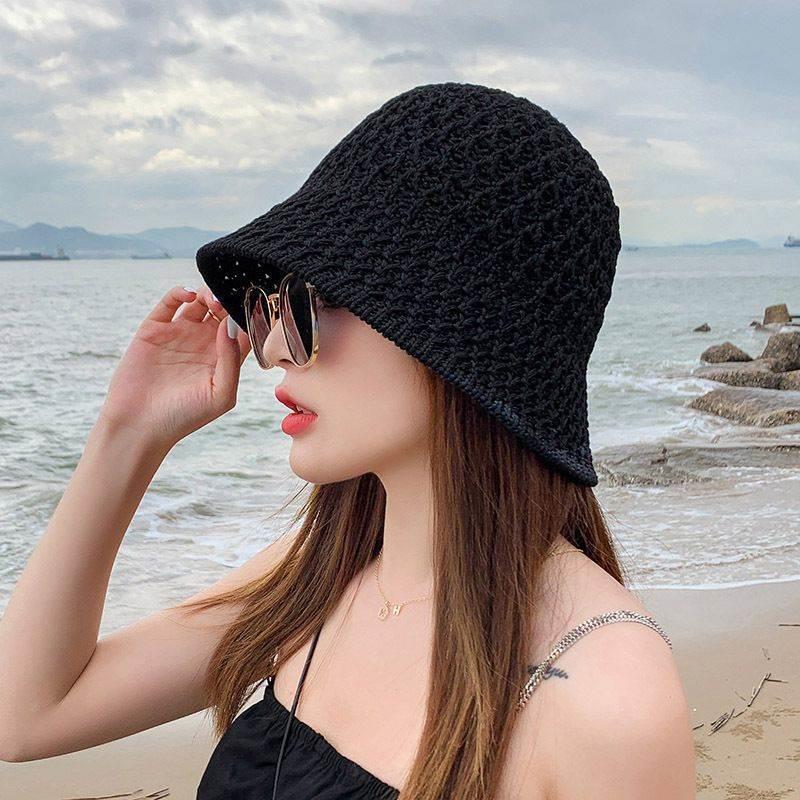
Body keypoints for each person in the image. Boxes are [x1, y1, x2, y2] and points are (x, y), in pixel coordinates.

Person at [0, 82, 696, 798]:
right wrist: (129, 431)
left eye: (311, 302)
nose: (274, 350)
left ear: (457, 328)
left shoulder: (604, 693)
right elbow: (25, 716)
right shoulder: (316, 576)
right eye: (268, 308)